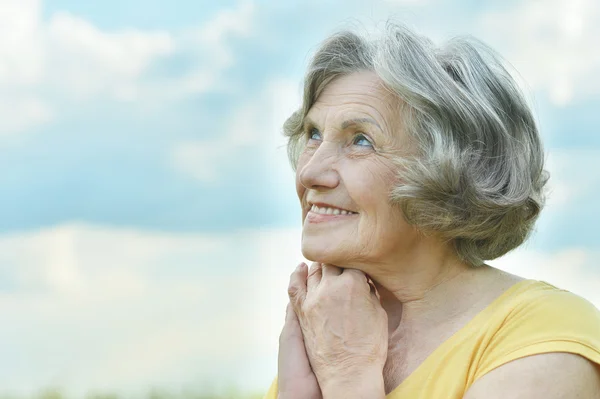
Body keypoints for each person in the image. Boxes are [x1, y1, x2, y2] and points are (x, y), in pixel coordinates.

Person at [263, 22, 600, 399]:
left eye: (360, 140)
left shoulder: (545, 337)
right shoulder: (326, 334)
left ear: (454, 172)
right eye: (313, 135)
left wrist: (347, 376)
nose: (309, 172)